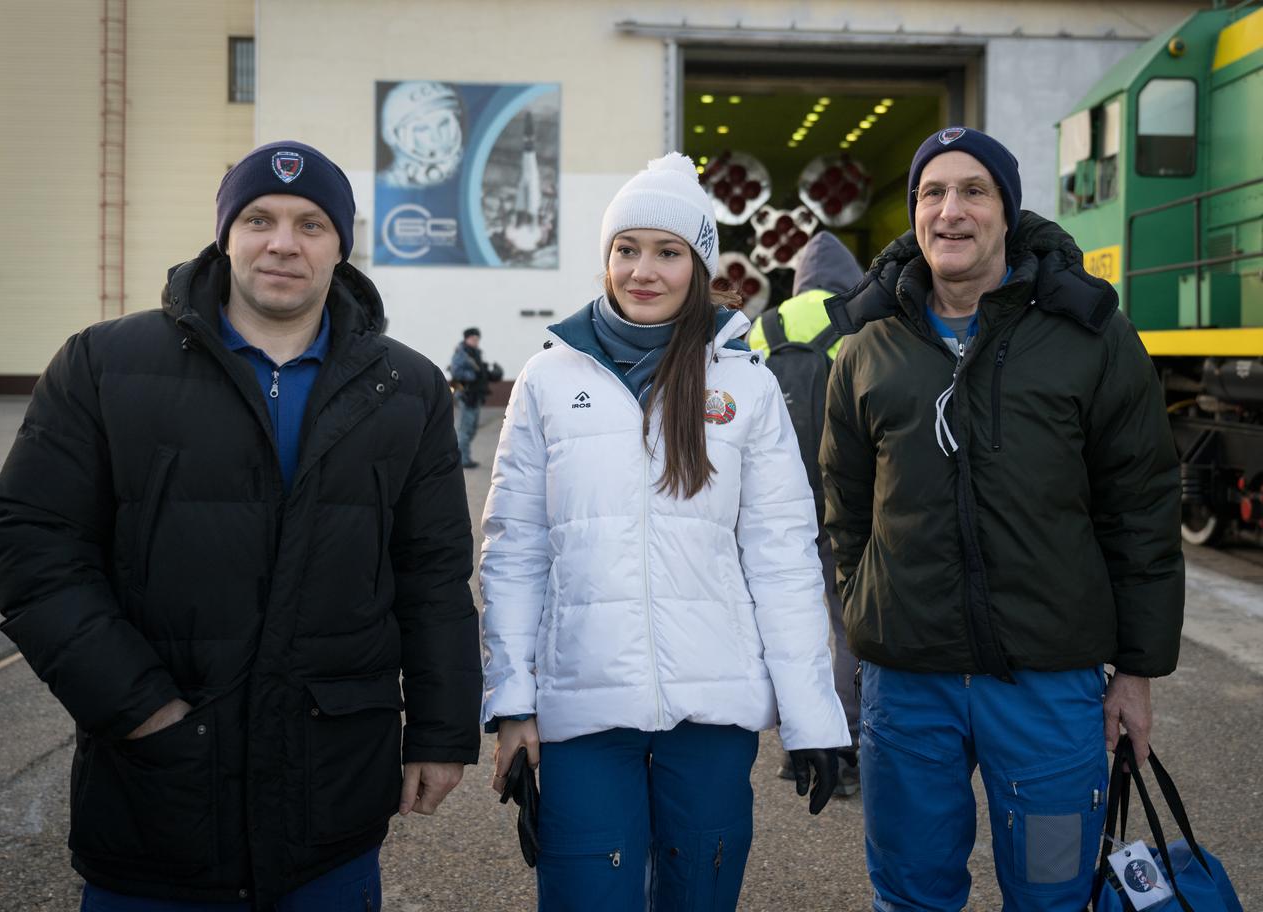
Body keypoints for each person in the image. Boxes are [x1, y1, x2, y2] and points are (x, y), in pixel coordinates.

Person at [0, 141, 482, 910]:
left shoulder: (405, 387)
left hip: (332, 795)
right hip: (155, 798)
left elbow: (434, 574)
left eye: (311, 224)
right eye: (260, 218)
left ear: (341, 247)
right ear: (226, 234)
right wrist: (141, 708)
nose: (283, 242)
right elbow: (32, 543)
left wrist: (442, 733)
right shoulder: (103, 364)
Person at [820, 126, 1184, 912]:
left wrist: (1137, 671)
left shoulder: (1092, 339)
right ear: (915, 214)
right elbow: (844, 506)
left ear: (1007, 212)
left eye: (973, 191)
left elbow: (1141, 509)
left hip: (1049, 685)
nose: (950, 211)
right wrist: (864, 606)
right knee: (912, 894)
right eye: (932, 194)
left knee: (1052, 893)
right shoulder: (865, 350)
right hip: (909, 685)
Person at [480, 153, 849, 911]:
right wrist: (512, 703)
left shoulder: (747, 386)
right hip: (584, 713)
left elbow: (782, 560)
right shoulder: (550, 381)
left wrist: (814, 716)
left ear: (700, 266)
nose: (643, 270)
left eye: (668, 251)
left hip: (712, 716)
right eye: (626, 249)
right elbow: (515, 553)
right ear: (605, 259)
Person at [747, 230, 863, 793]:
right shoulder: (858, 320)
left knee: (787, 626)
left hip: (776, 497)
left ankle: (796, 749)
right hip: (842, 493)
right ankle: (839, 753)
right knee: (847, 625)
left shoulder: (764, 326)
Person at [449, 326, 503, 469]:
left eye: (477, 339)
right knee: (465, 430)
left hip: (476, 395)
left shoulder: (475, 353)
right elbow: (456, 371)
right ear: (467, 339)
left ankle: (463, 457)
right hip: (467, 395)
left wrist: (494, 374)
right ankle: (462, 460)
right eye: (473, 338)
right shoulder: (462, 353)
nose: (476, 341)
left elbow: (481, 373)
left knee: (472, 429)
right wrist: (472, 376)